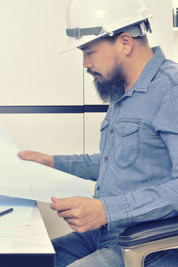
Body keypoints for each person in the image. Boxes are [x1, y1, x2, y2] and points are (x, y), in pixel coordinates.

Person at [18, 0, 178, 266]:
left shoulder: (171, 91)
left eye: (89, 51)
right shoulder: (124, 88)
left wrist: (105, 210)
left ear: (125, 43)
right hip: (101, 234)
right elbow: (119, 163)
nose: (84, 63)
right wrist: (52, 162)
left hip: (144, 245)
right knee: (22, 260)